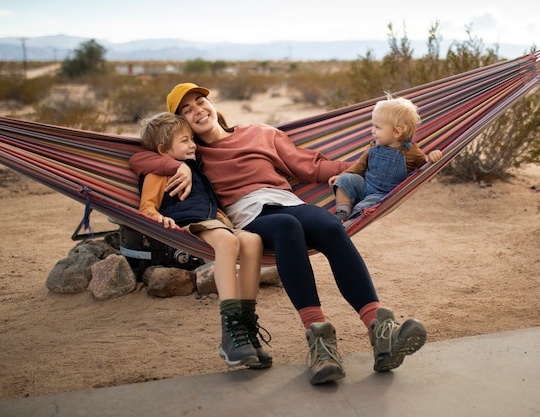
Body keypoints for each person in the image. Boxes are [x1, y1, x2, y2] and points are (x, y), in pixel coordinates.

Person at [130, 83, 427, 385]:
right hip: (250, 216)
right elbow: (139, 158)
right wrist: (174, 165)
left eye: (200, 101)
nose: (197, 110)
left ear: (212, 104)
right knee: (288, 228)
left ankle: (381, 331)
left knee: (329, 225)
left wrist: (367, 170)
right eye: (186, 110)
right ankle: (320, 342)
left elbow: (309, 166)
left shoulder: (260, 133)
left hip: (287, 201)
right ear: (181, 124)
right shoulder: (192, 154)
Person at [137, 111, 271, 369]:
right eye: (185, 140)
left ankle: (246, 326)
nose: (192, 145)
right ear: (164, 150)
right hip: (187, 224)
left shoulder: (195, 166)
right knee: (228, 243)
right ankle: (231, 333)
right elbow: (147, 207)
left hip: (216, 222)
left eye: (192, 139)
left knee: (253, 241)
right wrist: (159, 219)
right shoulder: (157, 172)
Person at [329, 94, 443, 222]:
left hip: (383, 195)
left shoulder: (411, 151)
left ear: (397, 132)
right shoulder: (373, 146)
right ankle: (342, 213)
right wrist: (343, 175)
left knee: (366, 207)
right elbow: (360, 165)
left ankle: (351, 223)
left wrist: (432, 158)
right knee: (346, 180)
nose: (372, 131)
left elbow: (425, 169)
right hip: (365, 185)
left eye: (377, 127)